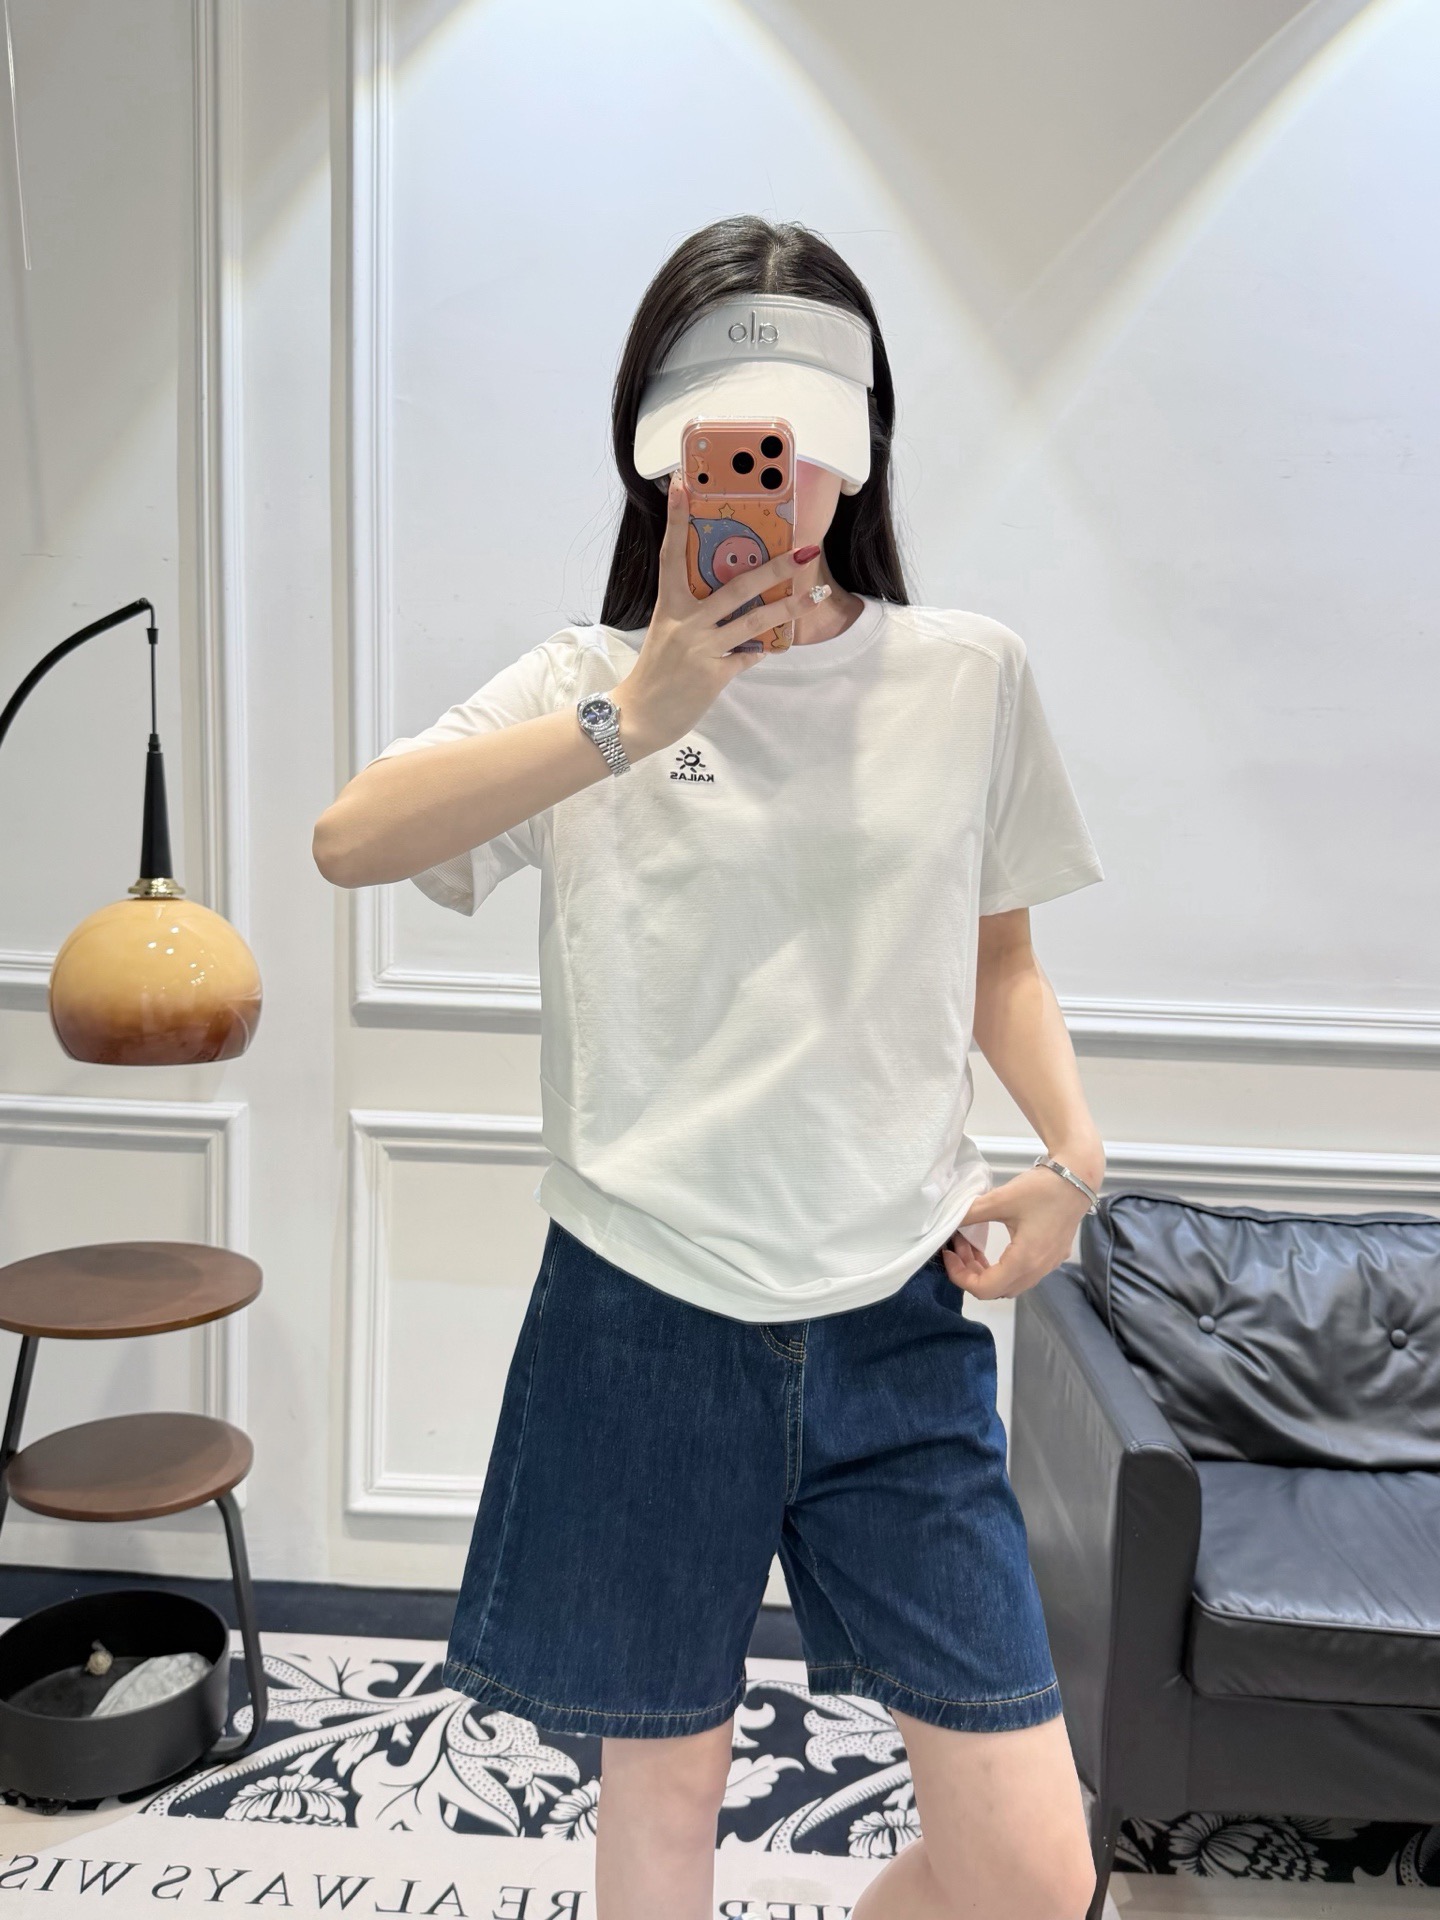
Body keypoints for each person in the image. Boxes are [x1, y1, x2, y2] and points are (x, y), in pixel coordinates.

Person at [314, 215, 1108, 1920]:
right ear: (663, 458)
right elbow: (351, 840)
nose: (776, 484)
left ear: (859, 455)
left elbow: (1001, 961)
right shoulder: (585, 688)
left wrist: (1073, 1161)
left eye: (804, 447)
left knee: (1035, 1869)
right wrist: (637, 715)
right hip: (646, 1309)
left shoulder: (966, 678)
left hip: (897, 1313)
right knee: (663, 1813)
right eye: (737, 447)